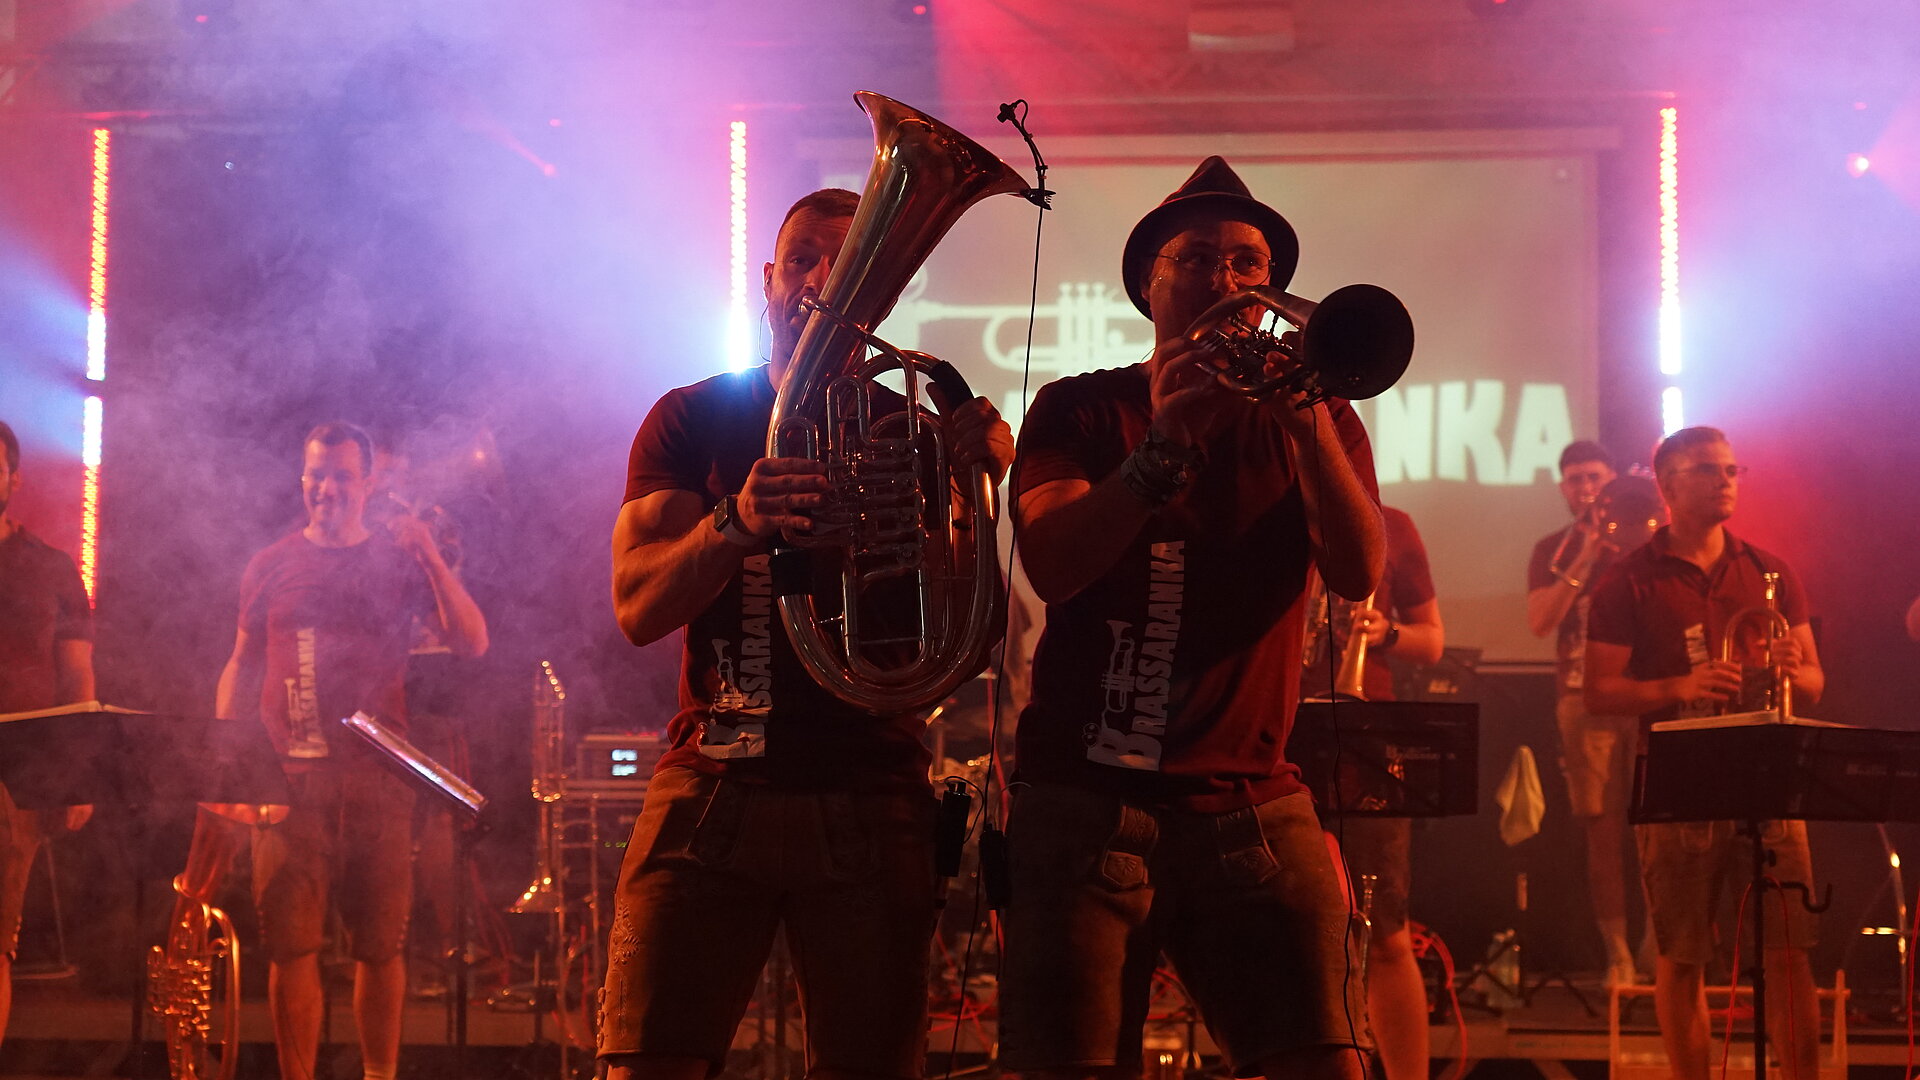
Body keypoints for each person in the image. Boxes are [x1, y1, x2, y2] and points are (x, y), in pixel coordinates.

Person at [599, 187, 1013, 1080]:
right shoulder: (691, 417)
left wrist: (972, 501)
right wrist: (734, 524)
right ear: (767, 279)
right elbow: (636, 606)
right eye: (801, 261)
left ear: (883, 293)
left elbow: (968, 644)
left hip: (869, 787)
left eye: (849, 263)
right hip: (714, 776)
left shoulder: (915, 427)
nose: (821, 281)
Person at [1002, 156, 1384, 1080]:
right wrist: (1165, 443)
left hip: (1252, 802)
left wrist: (1306, 423)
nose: (1229, 279)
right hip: (1083, 802)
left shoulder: (1316, 416)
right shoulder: (1078, 407)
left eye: (1250, 264)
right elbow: (1052, 564)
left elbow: (1359, 571)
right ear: (1148, 283)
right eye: (1200, 258)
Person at [208, 420, 487, 1080]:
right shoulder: (270, 563)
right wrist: (221, 760)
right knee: (291, 948)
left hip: (377, 784)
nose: (326, 488)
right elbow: (240, 663)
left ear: (367, 484)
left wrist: (429, 554)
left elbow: (472, 642)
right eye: (315, 474)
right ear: (302, 479)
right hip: (287, 786)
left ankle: (378, 1076)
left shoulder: (396, 562)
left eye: (340, 476)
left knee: (380, 948)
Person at [1584, 426, 1823, 1080]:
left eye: (1732, 470)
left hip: (1770, 776)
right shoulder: (1628, 579)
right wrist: (1679, 686)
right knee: (1683, 953)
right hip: (1678, 783)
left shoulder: (1770, 571)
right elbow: (1598, 692)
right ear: (1668, 484)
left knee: (1789, 951)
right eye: (1708, 470)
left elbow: (1813, 681)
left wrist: (1793, 666)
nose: (1726, 481)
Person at [1304, 505, 1443, 1080]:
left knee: (1384, 927)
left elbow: (1432, 641)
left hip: (1366, 738)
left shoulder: (1393, 526)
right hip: (1275, 728)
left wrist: (1385, 633)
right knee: (1275, 927)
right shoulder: (1264, 516)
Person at [1524, 440, 1645, 986]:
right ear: (1563, 489)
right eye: (1576, 479)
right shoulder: (1552, 548)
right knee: (1602, 830)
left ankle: (1660, 947)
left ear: (1613, 480)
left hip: (1648, 694)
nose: (1587, 488)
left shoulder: (1644, 540)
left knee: (1659, 830)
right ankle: (1617, 953)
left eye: (1596, 477)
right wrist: (1587, 556)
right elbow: (1540, 622)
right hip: (1581, 699)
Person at [0, 420, 96, 1057]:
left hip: (15, 778)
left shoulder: (53, 569)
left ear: (12, 478)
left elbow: (77, 678)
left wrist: (78, 775)